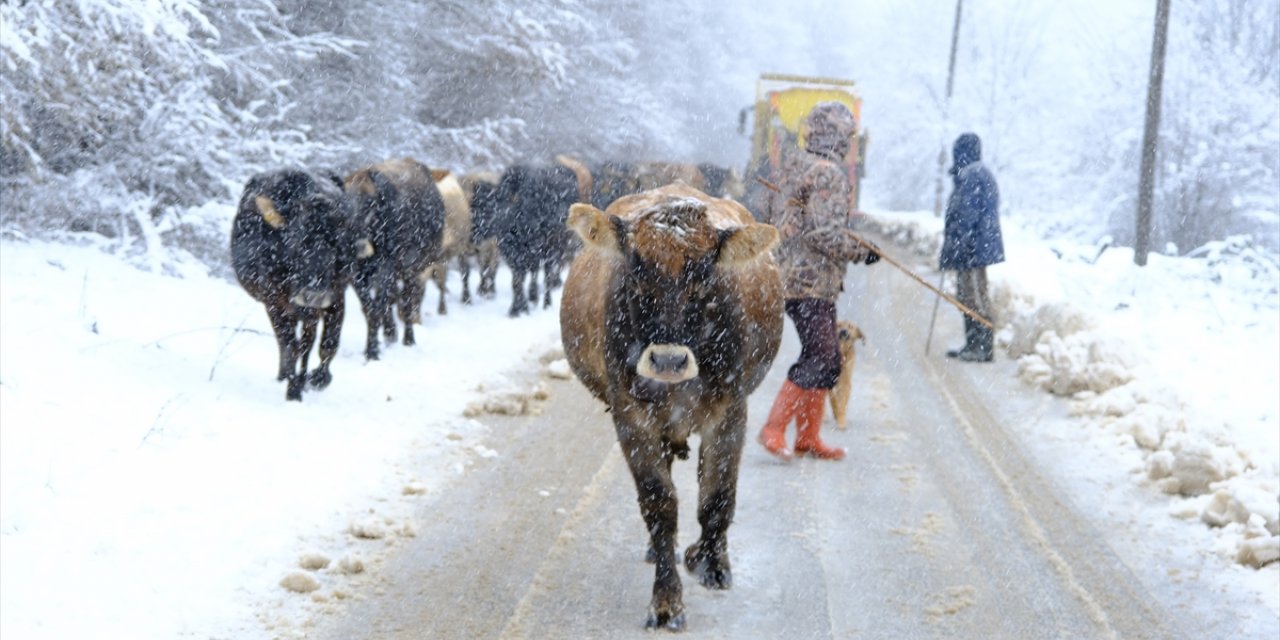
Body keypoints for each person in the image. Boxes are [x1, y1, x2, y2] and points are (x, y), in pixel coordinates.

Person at [757, 101, 879, 462]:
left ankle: (808, 437)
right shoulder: (829, 174)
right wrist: (861, 251)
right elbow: (824, 233)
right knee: (823, 356)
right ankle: (775, 429)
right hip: (810, 279)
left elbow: (782, 216)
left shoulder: (793, 166)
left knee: (824, 358)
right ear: (840, 136)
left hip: (790, 274)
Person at [939, 132, 1004, 362]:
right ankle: (973, 344)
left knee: (974, 296)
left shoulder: (973, 176)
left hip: (973, 250)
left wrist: (959, 246)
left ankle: (982, 346)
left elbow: (966, 216)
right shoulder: (973, 174)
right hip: (973, 247)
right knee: (968, 295)